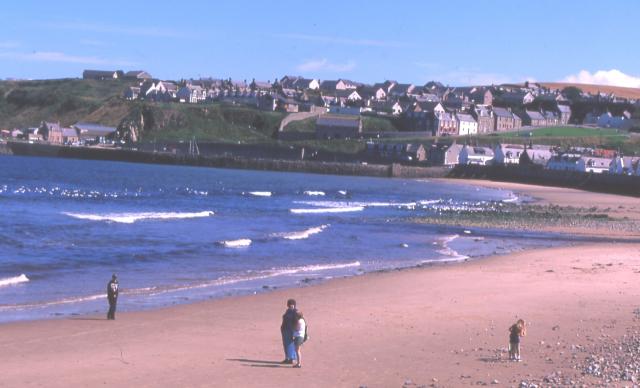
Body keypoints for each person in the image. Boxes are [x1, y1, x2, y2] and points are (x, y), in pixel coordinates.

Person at [280, 299, 298, 364]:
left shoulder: (295, 312)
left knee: (290, 344)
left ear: (294, 305)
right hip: (285, 330)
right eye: (290, 304)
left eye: (292, 305)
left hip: (290, 330)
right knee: (286, 345)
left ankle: (292, 358)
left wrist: (295, 332)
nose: (291, 306)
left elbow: (296, 323)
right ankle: (287, 358)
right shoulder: (287, 311)